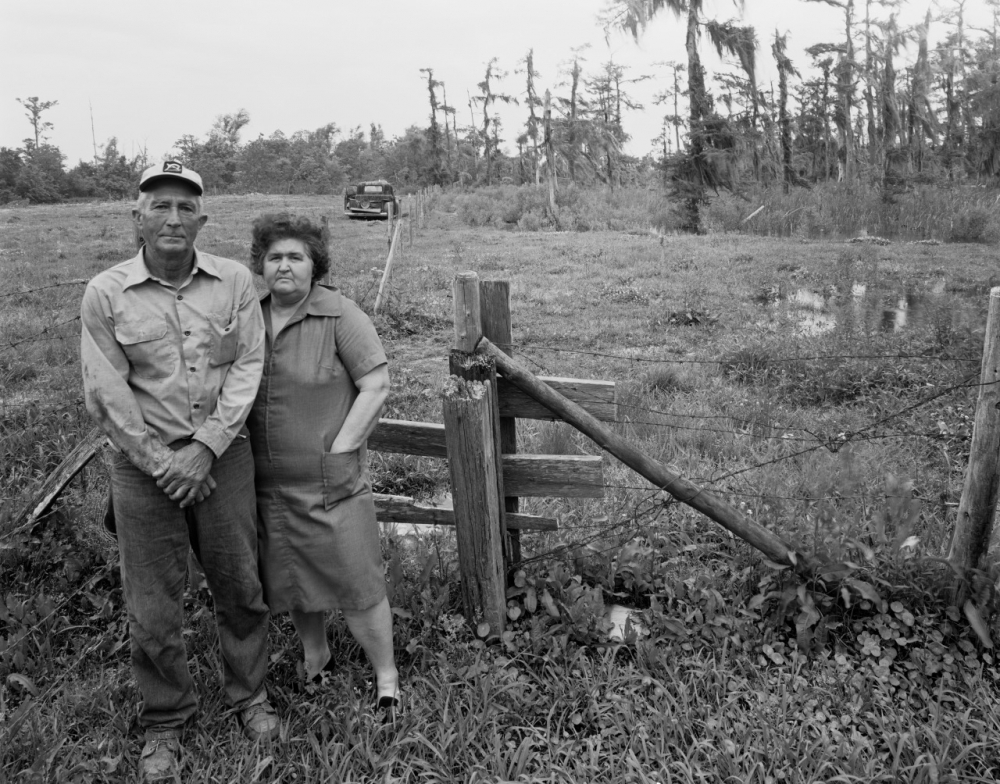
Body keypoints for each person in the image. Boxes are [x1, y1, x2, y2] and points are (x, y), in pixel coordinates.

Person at [80, 161, 279, 781]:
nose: (173, 218)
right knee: (153, 606)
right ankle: (165, 719)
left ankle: (249, 695)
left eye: (185, 207)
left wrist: (207, 447)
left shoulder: (234, 282)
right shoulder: (106, 292)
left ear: (202, 218)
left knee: (240, 585)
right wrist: (164, 461)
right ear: (136, 216)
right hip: (144, 469)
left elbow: (248, 363)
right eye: (160, 206)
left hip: (223, 458)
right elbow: (107, 391)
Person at [246, 213, 400, 713]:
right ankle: (318, 659)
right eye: (274, 257)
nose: (284, 266)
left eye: (296, 257)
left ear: (315, 265)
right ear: (260, 266)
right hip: (268, 485)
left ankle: (387, 678)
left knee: (358, 582)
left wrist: (340, 450)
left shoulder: (341, 315)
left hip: (332, 481)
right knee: (292, 579)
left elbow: (376, 386)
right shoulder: (249, 316)